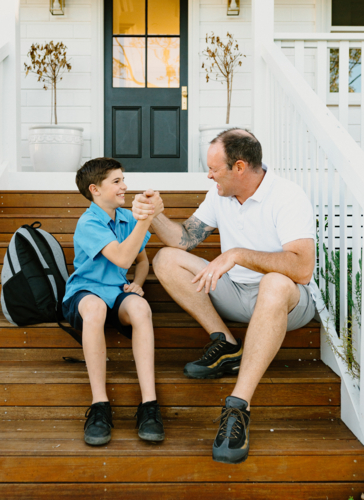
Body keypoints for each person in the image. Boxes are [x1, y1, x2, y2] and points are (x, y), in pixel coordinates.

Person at [131, 128, 316, 464]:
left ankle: (238, 407)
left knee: (273, 283)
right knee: (166, 259)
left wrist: (238, 255)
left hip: (286, 303)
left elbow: (302, 270)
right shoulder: (219, 195)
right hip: (234, 294)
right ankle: (226, 343)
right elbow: (185, 239)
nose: (209, 174)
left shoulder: (288, 196)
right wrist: (154, 214)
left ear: (240, 167)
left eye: (214, 169)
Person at [62, 157, 165, 446]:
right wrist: (147, 219)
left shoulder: (128, 219)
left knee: (141, 307)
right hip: (85, 295)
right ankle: (99, 406)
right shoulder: (88, 222)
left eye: (124, 179)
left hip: (116, 292)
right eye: (117, 181)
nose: (125, 186)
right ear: (95, 189)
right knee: (94, 309)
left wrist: (138, 284)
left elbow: (141, 261)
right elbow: (121, 257)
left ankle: (149, 405)